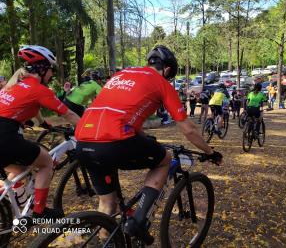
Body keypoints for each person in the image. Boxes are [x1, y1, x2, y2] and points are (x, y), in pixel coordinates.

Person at [74, 45, 222, 244]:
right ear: (167, 70)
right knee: (164, 160)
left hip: (83, 141)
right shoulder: (161, 82)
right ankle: (138, 221)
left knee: (108, 205)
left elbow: (121, 114)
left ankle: (108, 241)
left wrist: (142, 137)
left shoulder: (120, 75)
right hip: (115, 141)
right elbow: (189, 129)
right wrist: (210, 152)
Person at [0, 45, 80, 218]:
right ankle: (39, 212)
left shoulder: (15, 86)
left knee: (22, 168)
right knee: (46, 163)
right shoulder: (39, 89)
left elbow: (32, 108)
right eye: (51, 70)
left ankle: (12, 203)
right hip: (4, 135)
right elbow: (69, 114)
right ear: (42, 69)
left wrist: (44, 123)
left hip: (5, 136)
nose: (52, 75)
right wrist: (90, 129)